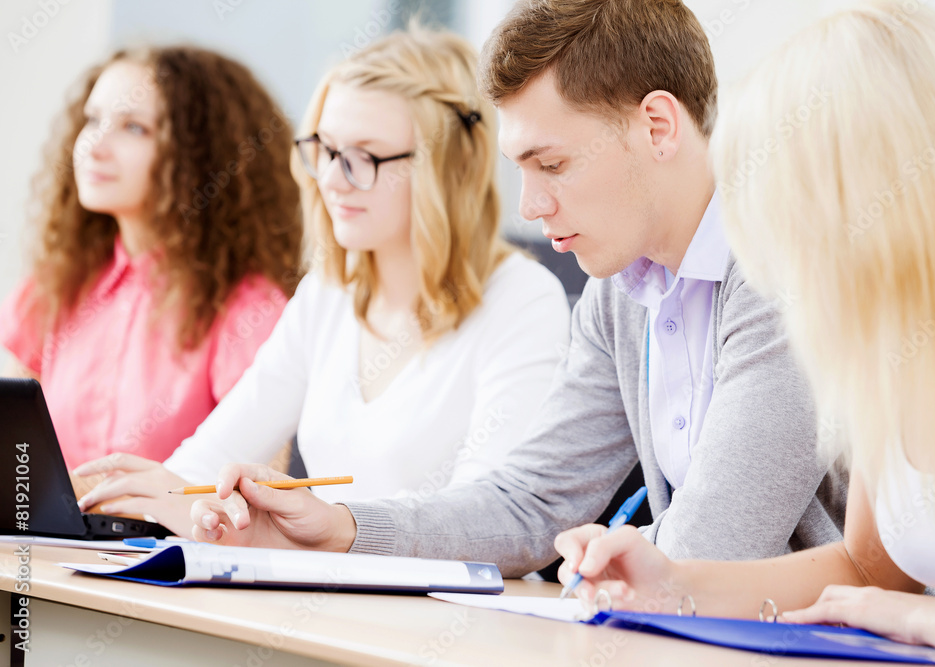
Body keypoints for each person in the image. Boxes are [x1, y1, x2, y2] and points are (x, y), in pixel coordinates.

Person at [186, 0, 848, 575]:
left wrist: (618, 558)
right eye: (520, 168)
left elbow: (713, 551)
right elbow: (529, 503)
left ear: (658, 126)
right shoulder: (620, 294)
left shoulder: (778, 269)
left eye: (552, 163)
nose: (529, 205)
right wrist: (342, 525)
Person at [551, 2, 935, 661]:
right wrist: (669, 582)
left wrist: (918, 618)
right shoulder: (889, 361)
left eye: (792, 218)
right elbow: (869, 571)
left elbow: (890, 600)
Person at [76, 26, 570, 537]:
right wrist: (143, 494)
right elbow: (200, 469)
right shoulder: (328, 294)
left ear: (445, 167)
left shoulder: (523, 301)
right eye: (326, 150)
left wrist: (326, 532)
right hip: (327, 600)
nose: (331, 179)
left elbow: (488, 523)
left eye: (364, 157)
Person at [0, 46, 302, 471]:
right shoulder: (53, 285)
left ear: (199, 156)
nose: (95, 146)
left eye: (134, 128)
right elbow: (12, 461)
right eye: (93, 119)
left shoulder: (247, 309)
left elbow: (258, 491)